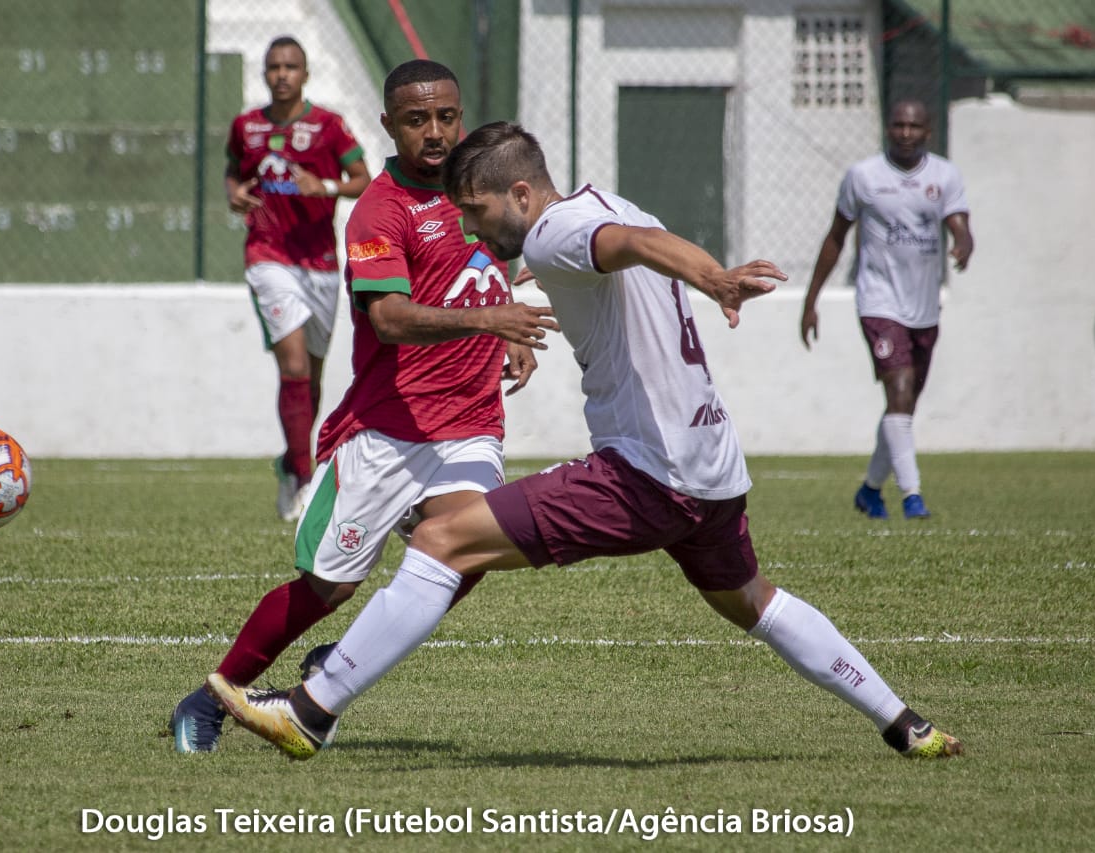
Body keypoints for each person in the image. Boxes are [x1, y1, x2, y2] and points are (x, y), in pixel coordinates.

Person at [205, 122, 963, 762]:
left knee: (441, 539)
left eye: (476, 211)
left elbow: (629, 244)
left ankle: (311, 710)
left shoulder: (556, 230)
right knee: (755, 603)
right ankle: (906, 724)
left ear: (521, 195)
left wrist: (714, 279)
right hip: (712, 470)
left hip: (645, 474)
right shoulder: (604, 203)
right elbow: (626, 242)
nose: (471, 229)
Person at [169, 67, 558, 753]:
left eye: (446, 117)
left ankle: (339, 663)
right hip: (384, 432)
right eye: (416, 120)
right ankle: (209, 699)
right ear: (388, 125)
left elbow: (500, 259)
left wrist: (508, 328)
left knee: (472, 548)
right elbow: (389, 319)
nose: (434, 132)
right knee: (325, 588)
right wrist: (492, 319)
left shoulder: (483, 188)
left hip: (469, 425)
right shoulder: (381, 210)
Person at [800, 99, 973, 521]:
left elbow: (960, 225)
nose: (905, 133)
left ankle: (870, 490)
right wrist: (811, 301)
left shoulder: (944, 176)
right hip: (878, 301)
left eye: (914, 126)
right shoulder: (863, 176)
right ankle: (913, 496)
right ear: (887, 128)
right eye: (898, 125)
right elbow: (836, 237)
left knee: (905, 404)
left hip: (924, 306)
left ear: (928, 131)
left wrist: (964, 243)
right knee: (899, 387)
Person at [226, 36, 372, 522]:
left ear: (305, 74)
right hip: (268, 257)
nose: (282, 74)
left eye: (290, 66)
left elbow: (364, 180)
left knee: (310, 379)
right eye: (274, 67)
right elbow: (233, 172)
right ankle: (306, 478)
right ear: (265, 74)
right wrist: (235, 194)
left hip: (320, 264)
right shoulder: (246, 126)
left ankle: (291, 461)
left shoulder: (328, 126)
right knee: (292, 367)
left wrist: (324, 185)